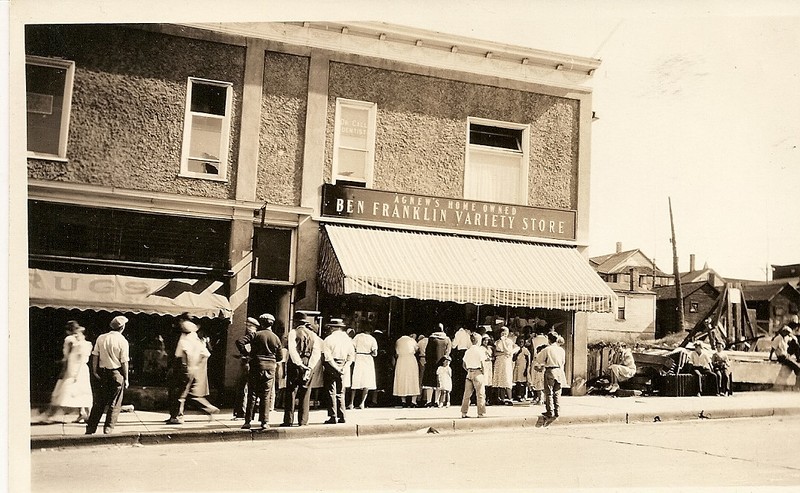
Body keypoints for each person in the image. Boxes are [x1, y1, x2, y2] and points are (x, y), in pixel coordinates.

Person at [166, 318, 220, 424]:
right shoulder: (196, 340)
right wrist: (196, 365)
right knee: (189, 394)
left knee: (179, 394)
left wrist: (184, 365)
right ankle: (207, 408)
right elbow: (206, 354)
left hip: (184, 369)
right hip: (193, 370)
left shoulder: (183, 340)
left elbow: (179, 355)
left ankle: (177, 417)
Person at [235, 314, 282, 430]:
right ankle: (264, 422)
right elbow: (280, 357)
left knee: (253, 394)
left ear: (261, 323)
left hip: (256, 366)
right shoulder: (276, 338)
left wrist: (247, 354)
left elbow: (240, 342)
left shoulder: (256, 335)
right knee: (266, 395)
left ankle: (248, 421)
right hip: (270, 367)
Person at [85, 315, 130, 435]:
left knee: (98, 403)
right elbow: (124, 362)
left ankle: (90, 429)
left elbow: (95, 355)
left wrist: (94, 371)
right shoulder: (123, 341)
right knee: (114, 403)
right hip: (116, 373)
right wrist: (126, 378)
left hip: (102, 373)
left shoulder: (101, 338)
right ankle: (108, 429)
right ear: (122, 327)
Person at [47, 322, 93, 423]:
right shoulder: (83, 341)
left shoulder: (70, 340)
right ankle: (84, 413)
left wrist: (63, 369)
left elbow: (67, 356)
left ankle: (51, 414)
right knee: (82, 390)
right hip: (82, 368)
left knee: (65, 389)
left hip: (73, 368)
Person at [282, 316, 322, 427]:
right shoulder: (314, 335)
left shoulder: (293, 332)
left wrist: (299, 364)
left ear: (296, 322)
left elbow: (292, 349)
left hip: (295, 364)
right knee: (305, 392)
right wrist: (310, 366)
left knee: (291, 391)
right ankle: (303, 420)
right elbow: (316, 353)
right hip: (308, 361)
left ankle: (288, 420)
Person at [322, 319, 356, 424]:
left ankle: (333, 416)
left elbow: (327, 356)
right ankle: (342, 416)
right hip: (344, 364)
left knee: (331, 391)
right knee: (341, 392)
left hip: (332, 365)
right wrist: (344, 367)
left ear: (332, 328)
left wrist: (336, 367)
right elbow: (351, 356)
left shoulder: (328, 339)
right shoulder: (348, 340)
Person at [233, 318, 259, 420]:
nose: (247, 327)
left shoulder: (251, 336)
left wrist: (245, 353)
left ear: (253, 327)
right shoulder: (256, 336)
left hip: (248, 364)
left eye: (249, 325)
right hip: (249, 362)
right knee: (245, 388)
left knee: (244, 388)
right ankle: (243, 412)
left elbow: (239, 342)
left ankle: (242, 412)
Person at [421, 324, 452, 407]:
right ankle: (437, 401)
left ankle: (428, 401)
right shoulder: (447, 339)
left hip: (431, 362)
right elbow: (448, 352)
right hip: (441, 364)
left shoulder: (432, 338)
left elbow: (428, 351)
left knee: (430, 384)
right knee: (439, 383)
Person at [349, 328, 378, 409]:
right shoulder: (372, 339)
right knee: (367, 381)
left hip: (358, 357)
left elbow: (352, 346)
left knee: (356, 380)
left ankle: (351, 403)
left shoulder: (357, 337)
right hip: (368, 359)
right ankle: (362, 403)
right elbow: (375, 353)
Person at [540, 332, 566, 419]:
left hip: (550, 370)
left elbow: (540, 359)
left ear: (549, 339)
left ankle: (550, 411)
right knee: (557, 392)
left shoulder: (547, 349)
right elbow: (563, 362)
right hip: (559, 370)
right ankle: (557, 411)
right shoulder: (561, 350)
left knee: (549, 392)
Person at [460, 333, 486, 418]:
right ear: (478, 341)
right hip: (478, 372)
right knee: (480, 394)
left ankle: (464, 412)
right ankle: (480, 413)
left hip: (469, 373)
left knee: (467, 394)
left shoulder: (468, 351)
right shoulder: (480, 351)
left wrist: (468, 370)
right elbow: (483, 363)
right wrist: (483, 373)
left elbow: (463, 364)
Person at [392, 333, 419, 407]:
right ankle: (413, 401)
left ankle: (403, 400)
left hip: (401, 360)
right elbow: (416, 349)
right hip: (410, 360)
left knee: (401, 378)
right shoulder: (412, 340)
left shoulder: (398, 341)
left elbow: (397, 352)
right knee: (413, 378)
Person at [492, 326, 517, 406]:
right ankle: (502, 398)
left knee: (507, 379)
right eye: (503, 333)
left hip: (506, 362)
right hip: (499, 361)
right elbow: (496, 353)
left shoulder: (509, 341)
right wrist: (503, 353)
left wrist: (503, 342)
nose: (504, 335)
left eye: (506, 333)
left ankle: (510, 398)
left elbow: (508, 351)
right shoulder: (497, 342)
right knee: (500, 380)